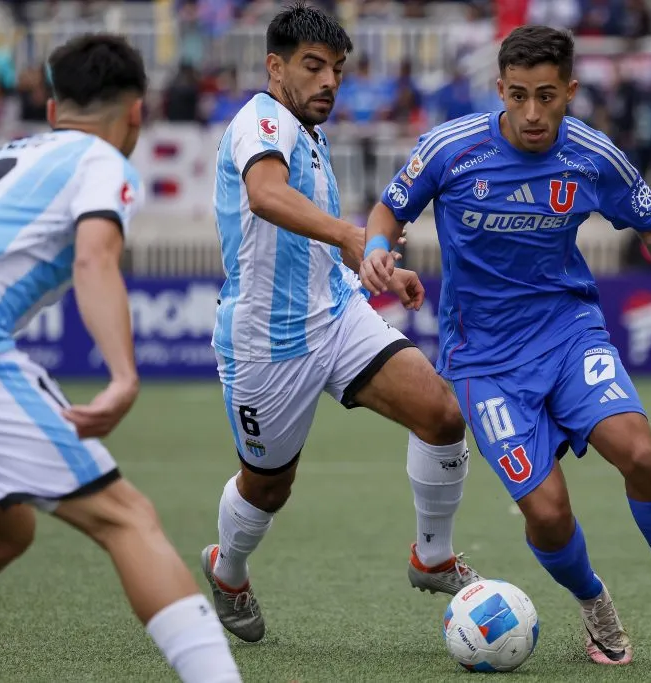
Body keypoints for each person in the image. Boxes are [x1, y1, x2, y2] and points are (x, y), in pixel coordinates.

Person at [360, 25, 651, 666]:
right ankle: (594, 602)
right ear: (500, 91)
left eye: (547, 95)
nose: (533, 113)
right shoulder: (450, 148)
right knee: (546, 511)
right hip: (482, 360)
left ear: (570, 90)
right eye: (518, 96)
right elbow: (387, 210)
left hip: (568, 334)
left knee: (642, 454)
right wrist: (377, 248)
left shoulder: (593, 156)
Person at [0, 35, 241, 683]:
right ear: (136, 114)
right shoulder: (99, 159)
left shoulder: (0, 159)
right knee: (127, 518)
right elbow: (96, 257)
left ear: (51, 106)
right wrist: (123, 374)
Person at [200, 1, 481, 644]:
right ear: (275, 67)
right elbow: (266, 196)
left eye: (336, 69)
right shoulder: (261, 121)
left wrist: (374, 266)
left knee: (441, 412)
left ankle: (432, 557)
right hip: (267, 342)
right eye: (313, 66)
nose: (329, 80)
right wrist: (355, 237)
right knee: (268, 487)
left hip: (338, 315)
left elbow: (317, 244)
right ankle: (229, 568)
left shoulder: (312, 133)